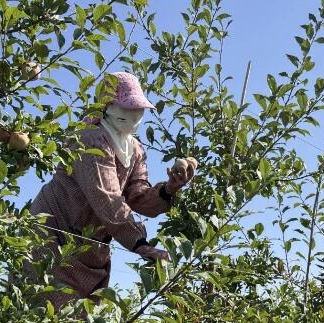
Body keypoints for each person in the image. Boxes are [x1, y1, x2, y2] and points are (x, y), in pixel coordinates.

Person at [17, 71, 196, 309]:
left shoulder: (135, 149)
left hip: (89, 247)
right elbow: (106, 197)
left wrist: (169, 189)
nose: (133, 115)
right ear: (108, 106)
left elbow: (138, 195)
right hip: (54, 236)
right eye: (126, 108)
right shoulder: (89, 139)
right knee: (44, 316)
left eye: (137, 109)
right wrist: (140, 243)